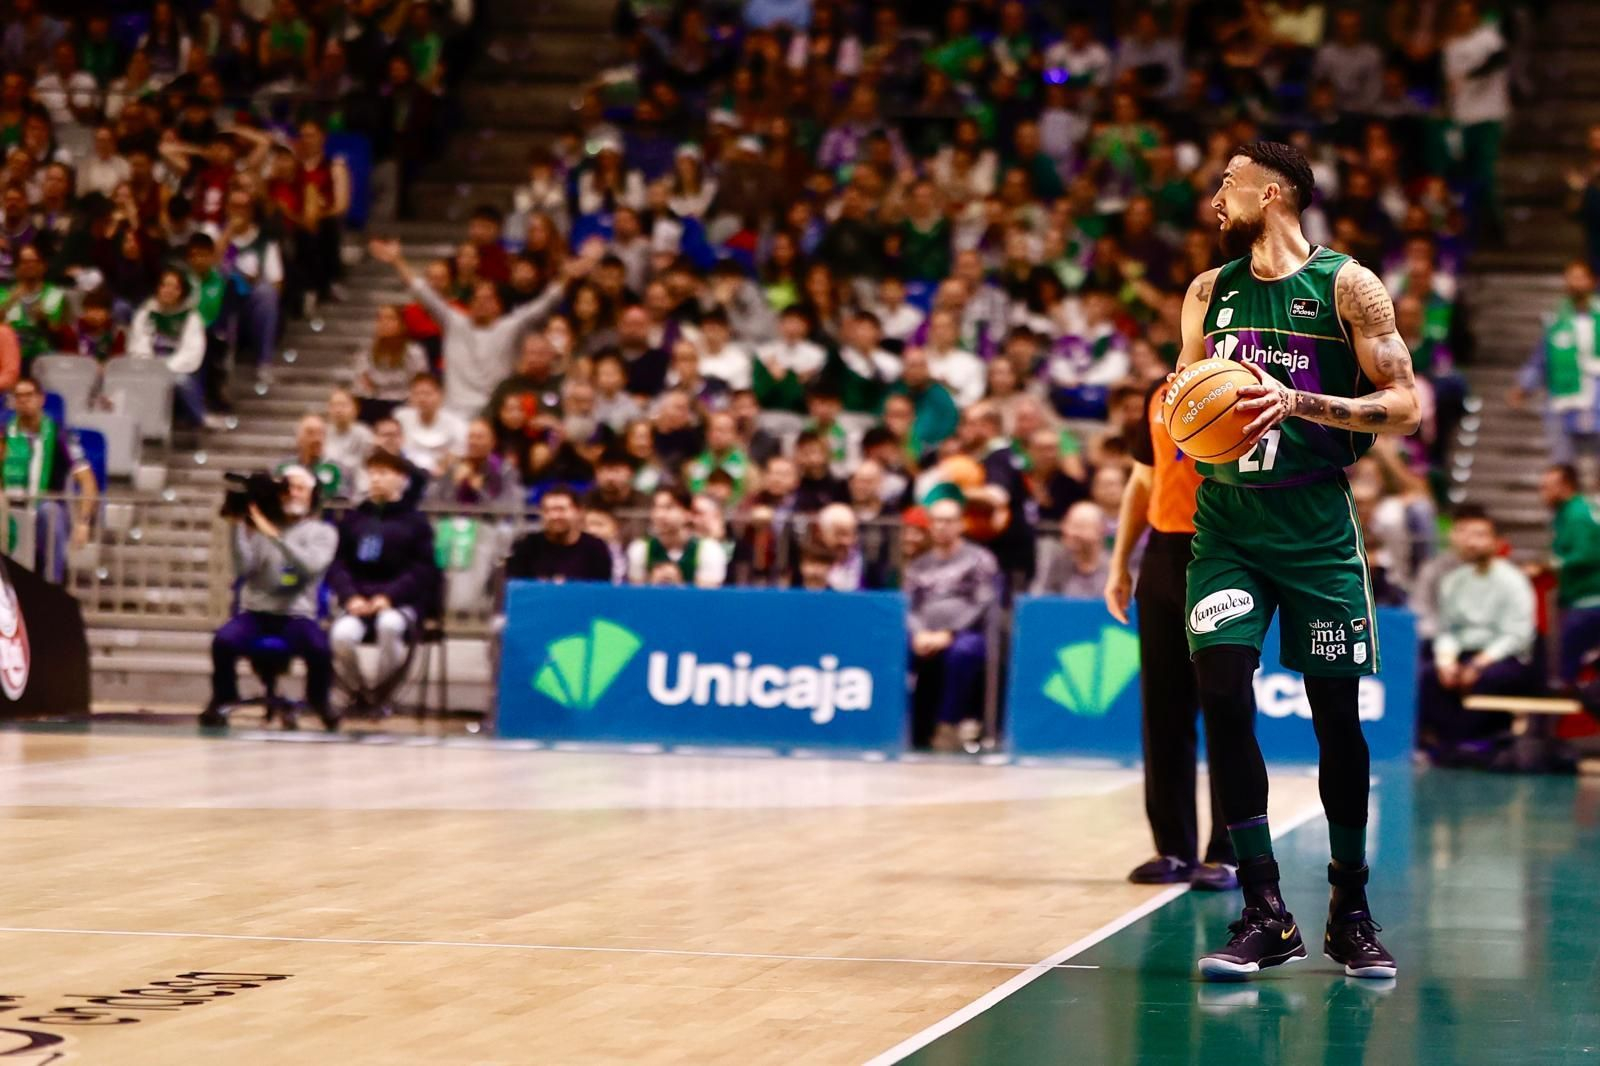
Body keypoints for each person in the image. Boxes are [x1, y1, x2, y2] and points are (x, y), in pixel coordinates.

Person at [1178, 142, 1419, 981]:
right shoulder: (1207, 292)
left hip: (1316, 527)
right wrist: (1187, 405)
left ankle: (1350, 908)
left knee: (1335, 720)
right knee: (1221, 694)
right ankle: (1263, 910)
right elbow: (1186, 395)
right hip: (1227, 526)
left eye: (1229, 182)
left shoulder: (1349, 285)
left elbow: (1405, 407)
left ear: (1273, 192)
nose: (1217, 195)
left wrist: (1297, 400)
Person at [1105, 376, 1237, 892]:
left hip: (1223, 550)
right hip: (1162, 554)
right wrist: (1120, 563)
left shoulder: (1245, 384)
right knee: (1162, 708)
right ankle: (1174, 849)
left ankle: (1229, 852)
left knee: (1226, 703)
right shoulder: (1159, 394)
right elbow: (1143, 481)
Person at [368, 237, 578, 418]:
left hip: (494, 413)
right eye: (478, 299)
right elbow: (423, 292)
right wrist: (397, 260)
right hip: (453, 412)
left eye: (488, 299)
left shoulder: (510, 327)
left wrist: (568, 275)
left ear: (498, 306)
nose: (482, 303)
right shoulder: (454, 322)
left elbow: (545, 303)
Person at [202, 466, 339, 731]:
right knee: (223, 641)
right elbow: (244, 568)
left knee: (320, 648)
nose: (293, 494)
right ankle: (223, 697)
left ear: (312, 496)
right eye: (288, 489)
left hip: (297, 615)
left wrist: (275, 536)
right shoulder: (259, 528)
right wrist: (237, 526)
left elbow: (309, 566)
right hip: (256, 612)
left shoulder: (323, 532)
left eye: (300, 489)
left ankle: (319, 701)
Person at [327, 449, 440, 710]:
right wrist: (350, 596)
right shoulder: (354, 518)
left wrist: (389, 596)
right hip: (358, 601)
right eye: (372, 473)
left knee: (389, 626)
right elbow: (338, 564)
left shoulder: (416, 523)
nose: (376, 479)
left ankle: (383, 694)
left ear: (401, 479)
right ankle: (359, 693)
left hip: (399, 603)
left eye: (383, 473)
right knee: (341, 635)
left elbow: (423, 570)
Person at [1419, 506, 1536, 758]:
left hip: (1504, 658)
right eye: (1468, 535)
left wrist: (1479, 663)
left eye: (1481, 535)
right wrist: (1446, 662)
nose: (1473, 542)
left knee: (1488, 679)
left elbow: (1517, 634)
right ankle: (1448, 743)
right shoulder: (1453, 581)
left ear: (1496, 542)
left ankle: (1476, 743)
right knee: (1428, 676)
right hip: (1463, 652)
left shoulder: (1513, 581)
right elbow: (1447, 629)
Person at [905, 495, 998, 752]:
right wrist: (919, 633)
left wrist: (949, 632)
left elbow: (981, 603)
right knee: (893, 646)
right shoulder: (918, 565)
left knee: (962, 653)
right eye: (936, 521)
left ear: (961, 524)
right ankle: (894, 723)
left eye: (948, 521)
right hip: (925, 634)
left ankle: (948, 724)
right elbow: (909, 606)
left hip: (968, 633)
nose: (941, 526)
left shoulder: (979, 559)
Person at [1, 376, 96, 581]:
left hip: (43, 508)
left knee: (49, 512)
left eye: (29, 395)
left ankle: (52, 584)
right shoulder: (4, 433)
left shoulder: (60, 434)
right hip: (8, 507)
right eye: (18, 396)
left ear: (41, 399)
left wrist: (83, 522)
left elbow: (87, 480)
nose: (23, 400)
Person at [1510, 261, 1600, 475]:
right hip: (1562, 402)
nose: (1575, 283)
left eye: (1580, 277)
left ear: (1592, 281)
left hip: (1597, 399)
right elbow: (1540, 359)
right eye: (1571, 278)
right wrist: (1524, 386)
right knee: (1563, 470)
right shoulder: (1555, 320)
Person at [1540, 463, 1600, 684]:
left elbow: (1589, 553)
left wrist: (1552, 565)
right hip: (1578, 600)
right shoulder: (1567, 512)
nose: (1543, 493)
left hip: (1589, 602)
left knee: (1569, 671)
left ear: (1565, 486)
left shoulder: (1577, 514)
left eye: (1547, 487)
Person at [625, 485, 728, 588]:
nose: (659, 515)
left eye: (668, 507)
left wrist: (679, 584)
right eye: (656, 508)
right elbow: (635, 593)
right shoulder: (640, 549)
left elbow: (708, 595)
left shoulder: (709, 550)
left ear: (688, 513)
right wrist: (652, 584)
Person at [506, 486, 614, 583]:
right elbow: (516, 588)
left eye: (561, 510)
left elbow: (601, 591)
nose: (554, 516)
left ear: (579, 512)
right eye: (547, 510)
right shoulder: (525, 546)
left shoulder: (595, 548)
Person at [393, 372, 468, 477]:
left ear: (440, 395)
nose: (422, 399)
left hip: (444, 475)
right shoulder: (400, 417)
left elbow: (461, 450)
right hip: (406, 473)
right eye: (417, 394)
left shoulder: (456, 423)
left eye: (427, 394)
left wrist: (445, 464)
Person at [1031, 501, 1110, 598]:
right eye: (1068, 524)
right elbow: (1037, 599)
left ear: (1101, 531)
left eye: (1080, 527)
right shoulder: (1054, 562)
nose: (1070, 531)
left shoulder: (1113, 569)